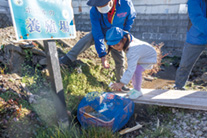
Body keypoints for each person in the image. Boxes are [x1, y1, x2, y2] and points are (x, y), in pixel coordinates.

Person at [59, 0, 136, 92]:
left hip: (116, 34)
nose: (102, 8)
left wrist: (124, 34)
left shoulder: (125, 3)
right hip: (103, 31)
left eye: (104, 5)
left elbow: (130, 18)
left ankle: (121, 83)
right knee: (88, 37)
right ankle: (68, 58)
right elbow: (97, 33)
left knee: (120, 58)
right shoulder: (94, 11)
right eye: (99, 6)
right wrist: (103, 55)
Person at [106, 27, 157, 91]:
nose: (115, 48)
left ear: (124, 40)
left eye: (117, 45)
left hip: (149, 58)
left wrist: (121, 84)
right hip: (142, 56)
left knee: (136, 70)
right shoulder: (127, 39)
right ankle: (135, 89)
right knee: (134, 71)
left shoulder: (132, 49)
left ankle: (137, 91)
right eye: (112, 46)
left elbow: (130, 69)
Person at [174, 0, 207, 90]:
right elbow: (196, 18)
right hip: (196, 37)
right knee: (185, 65)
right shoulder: (193, 1)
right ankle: (179, 87)